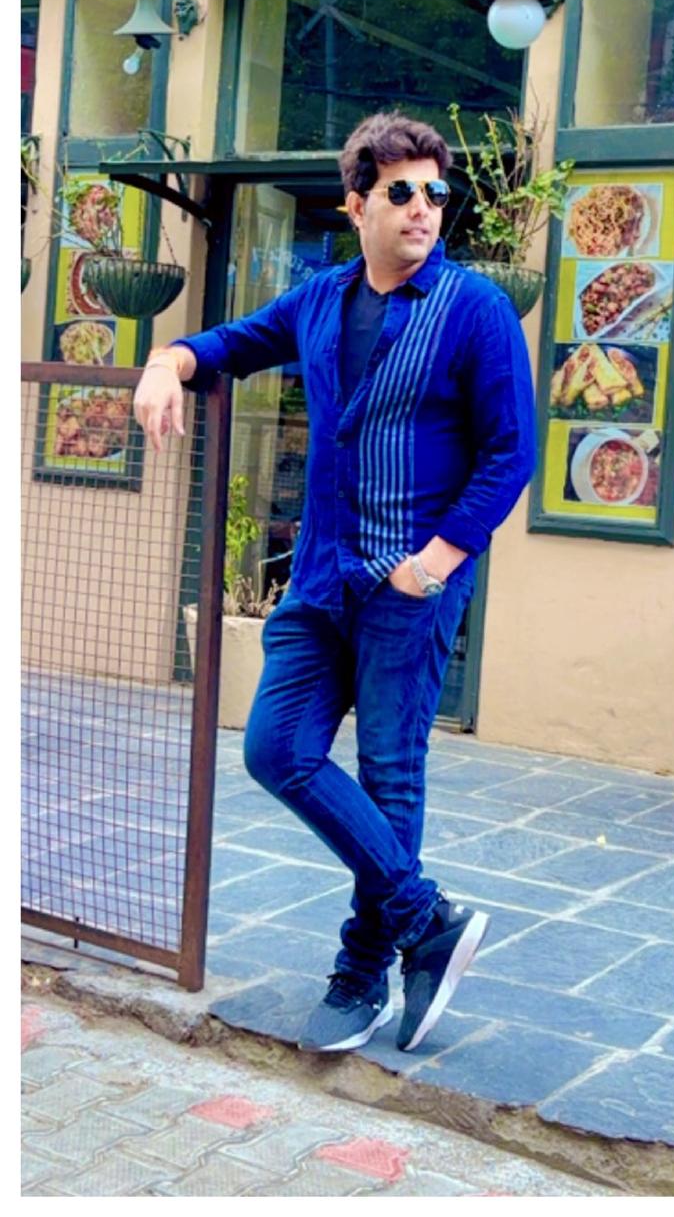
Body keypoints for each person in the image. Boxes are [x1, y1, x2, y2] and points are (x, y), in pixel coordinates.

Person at [133, 110, 537, 1054]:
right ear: (356, 205)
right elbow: (227, 345)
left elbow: (509, 453)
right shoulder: (318, 300)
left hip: (410, 586)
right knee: (277, 750)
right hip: (318, 583)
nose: (423, 208)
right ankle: (427, 921)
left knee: (390, 772)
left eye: (436, 192)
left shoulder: (473, 307)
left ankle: (360, 976)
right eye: (402, 192)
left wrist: (435, 562)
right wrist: (164, 361)